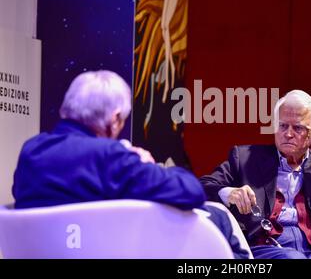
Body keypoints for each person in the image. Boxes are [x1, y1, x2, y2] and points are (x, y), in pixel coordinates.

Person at [12, 70, 249, 259]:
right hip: (106, 251)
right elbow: (192, 192)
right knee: (218, 218)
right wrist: (147, 163)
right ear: (115, 119)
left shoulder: (31, 150)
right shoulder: (111, 155)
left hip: (43, 253)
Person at [200, 90, 311, 259]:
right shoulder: (246, 158)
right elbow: (204, 186)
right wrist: (229, 192)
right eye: (283, 126)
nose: (288, 134)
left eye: (298, 128)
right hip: (267, 247)